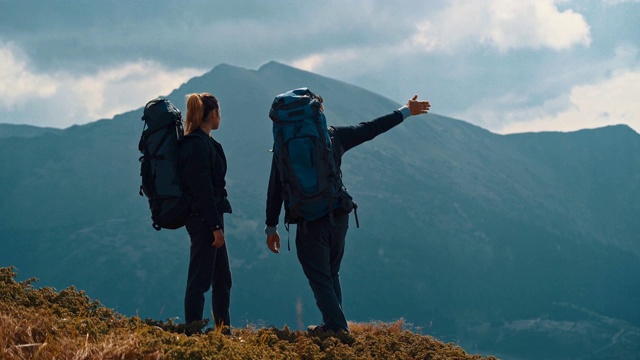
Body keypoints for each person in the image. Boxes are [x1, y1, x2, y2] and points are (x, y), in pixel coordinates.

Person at [264, 91, 431, 333]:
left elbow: (275, 188)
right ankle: (333, 325)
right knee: (331, 274)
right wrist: (405, 111)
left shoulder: (283, 147)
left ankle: (337, 329)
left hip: (309, 220)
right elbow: (370, 128)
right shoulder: (333, 136)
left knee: (319, 276)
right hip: (338, 214)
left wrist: (271, 227)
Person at [179, 92, 233, 334]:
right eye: (219, 112)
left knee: (222, 279)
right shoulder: (196, 146)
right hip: (204, 221)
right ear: (212, 113)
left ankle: (223, 332)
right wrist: (214, 226)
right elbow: (202, 190)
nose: (220, 117)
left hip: (211, 218)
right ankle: (193, 333)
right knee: (200, 280)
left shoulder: (205, 143)